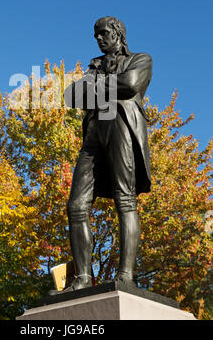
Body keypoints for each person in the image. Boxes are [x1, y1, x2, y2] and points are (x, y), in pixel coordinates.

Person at [59, 16, 152, 292]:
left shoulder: (140, 59)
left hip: (121, 124)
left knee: (125, 199)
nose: (98, 39)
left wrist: (97, 87)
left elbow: (131, 84)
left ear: (118, 34)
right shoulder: (94, 65)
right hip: (94, 132)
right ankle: (83, 278)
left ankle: (126, 275)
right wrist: (109, 84)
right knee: (76, 205)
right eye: (95, 35)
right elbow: (71, 95)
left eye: (103, 33)